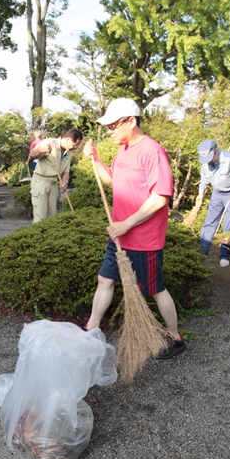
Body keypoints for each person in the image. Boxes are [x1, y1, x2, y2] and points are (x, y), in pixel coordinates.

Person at [79, 98, 185, 360]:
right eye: (107, 127)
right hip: (119, 235)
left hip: (143, 239)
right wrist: (95, 160)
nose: (109, 131)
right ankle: (91, 327)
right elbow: (114, 181)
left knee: (155, 289)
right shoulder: (123, 150)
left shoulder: (152, 151)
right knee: (105, 279)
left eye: (113, 126)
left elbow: (160, 197)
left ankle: (174, 336)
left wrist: (126, 223)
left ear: (131, 121)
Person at [196, 139, 230, 267]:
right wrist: (201, 193)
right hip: (217, 193)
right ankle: (202, 252)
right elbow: (204, 178)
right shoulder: (205, 161)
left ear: (216, 151)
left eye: (211, 157)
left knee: (228, 224)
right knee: (209, 222)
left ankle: (225, 255)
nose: (209, 161)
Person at [29, 128, 83, 223]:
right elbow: (32, 154)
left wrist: (65, 181)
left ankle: (50, 237)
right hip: (40, 182)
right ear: (67, 139)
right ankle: (39, 236)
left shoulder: (68, 153)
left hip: (54, 184)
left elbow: (66, 172)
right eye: (74, 145)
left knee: (52, 216)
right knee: (40, 217)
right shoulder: (49, 142)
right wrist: (42, 150)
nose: (74, 148)